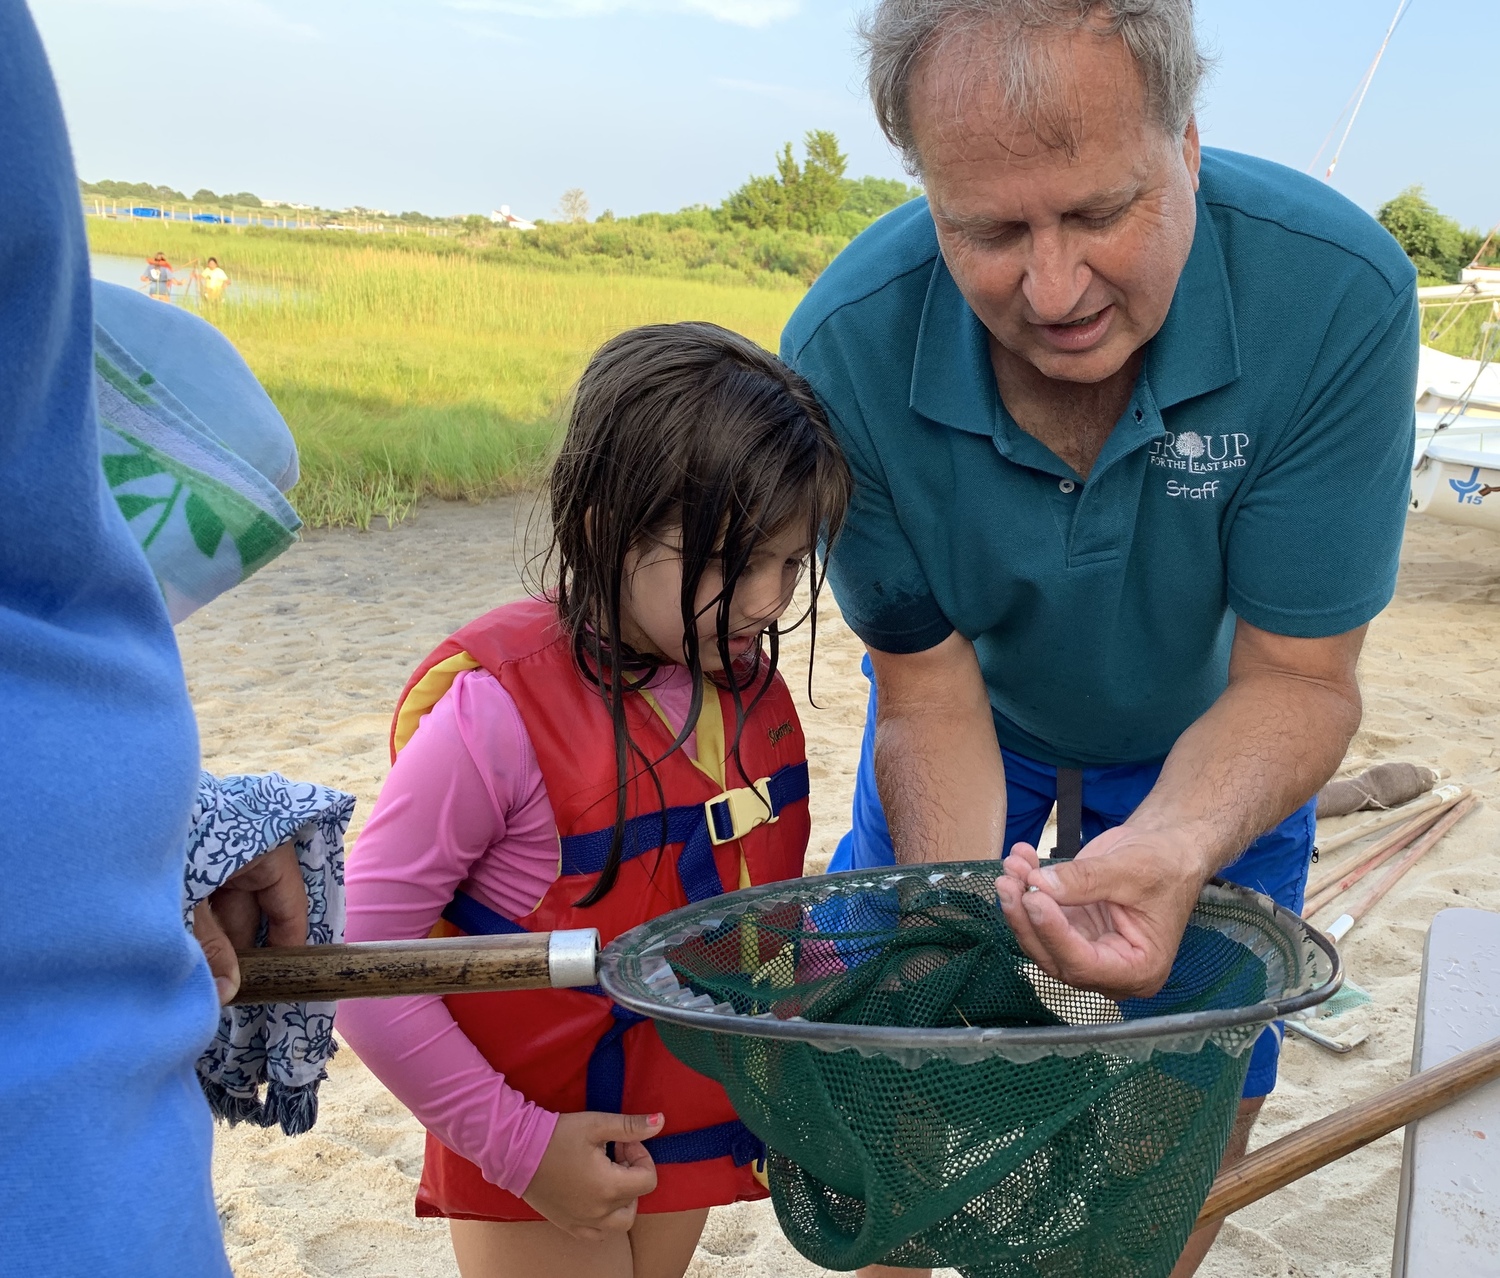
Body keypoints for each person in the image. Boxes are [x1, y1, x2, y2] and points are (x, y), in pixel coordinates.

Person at [781, 2, 1416, 1274]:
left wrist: (1176, 845)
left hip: (1212, 734)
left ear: (1187, 140)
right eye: (990, 231)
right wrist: (956, 934)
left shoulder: (1336, 298)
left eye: (1098, 213)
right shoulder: (844, 348)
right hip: (975, 718)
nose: (1056, 289)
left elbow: (1298, 675)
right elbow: (924, 689)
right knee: (893, 1068)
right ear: (926, 194)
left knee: (1180, 1123)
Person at [338, 322, 851, 1278]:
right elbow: (361, 965)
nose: (769, 601)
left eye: (791, 562)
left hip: (678, 1118)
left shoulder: (744, 693)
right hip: (529, 1134)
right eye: (737, 564)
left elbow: (744, 911)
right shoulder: (495, 715)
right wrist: (521, 1150)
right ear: (600, 526)